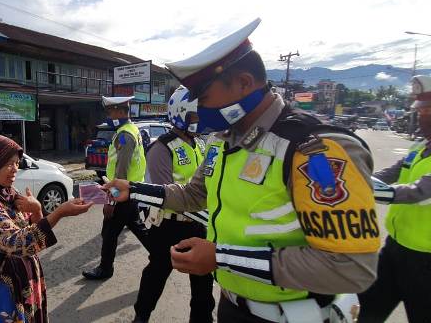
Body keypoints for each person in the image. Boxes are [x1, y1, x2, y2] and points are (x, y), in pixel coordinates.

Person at [104, 18, 379, 322]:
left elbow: (350, 267)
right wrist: (135, 189)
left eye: (204, 97)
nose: (201, 109)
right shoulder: (223, 143)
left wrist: (221, 258)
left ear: (244, 83)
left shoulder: (315, 150)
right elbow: (194, 194)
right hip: (232, 306)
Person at [0, 133, 93, 323]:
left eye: (17, 162)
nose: (14, 169)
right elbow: (16, 242)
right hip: (0, 287)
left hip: (26, 280)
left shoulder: (8, 193)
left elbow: (32, 236)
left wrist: (37, 209)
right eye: (7, 163)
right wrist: (59, 213)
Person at [133, 86, 215, 323]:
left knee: (203, 282)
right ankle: (141, 315)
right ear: (179, 114)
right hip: (169, 225)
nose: (199, 120)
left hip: (199, 224)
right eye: (194, 115)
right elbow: (163, 191)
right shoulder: (162, 147)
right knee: (156, 274)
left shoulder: (199, 144)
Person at [359, 75, 431, 323]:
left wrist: (360, 189)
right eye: (421, 111)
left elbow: (418, 192)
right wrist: (357, 176)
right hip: (395, 249)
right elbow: (391, 172)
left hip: (427, 259)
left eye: (428, 111)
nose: (422, 117)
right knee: (366, 310)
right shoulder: (421, 147)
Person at [82, 96, 150, 280]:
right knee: (137, 227)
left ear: (120, 111)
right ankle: (161, 255)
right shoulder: (131, 129)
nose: (108, 115)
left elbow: (121, 173)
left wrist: (112, 199)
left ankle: (105, 269)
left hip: (123, 193)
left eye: (110, 111)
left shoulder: (124, 135)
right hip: (131, 191)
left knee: (110, 233)